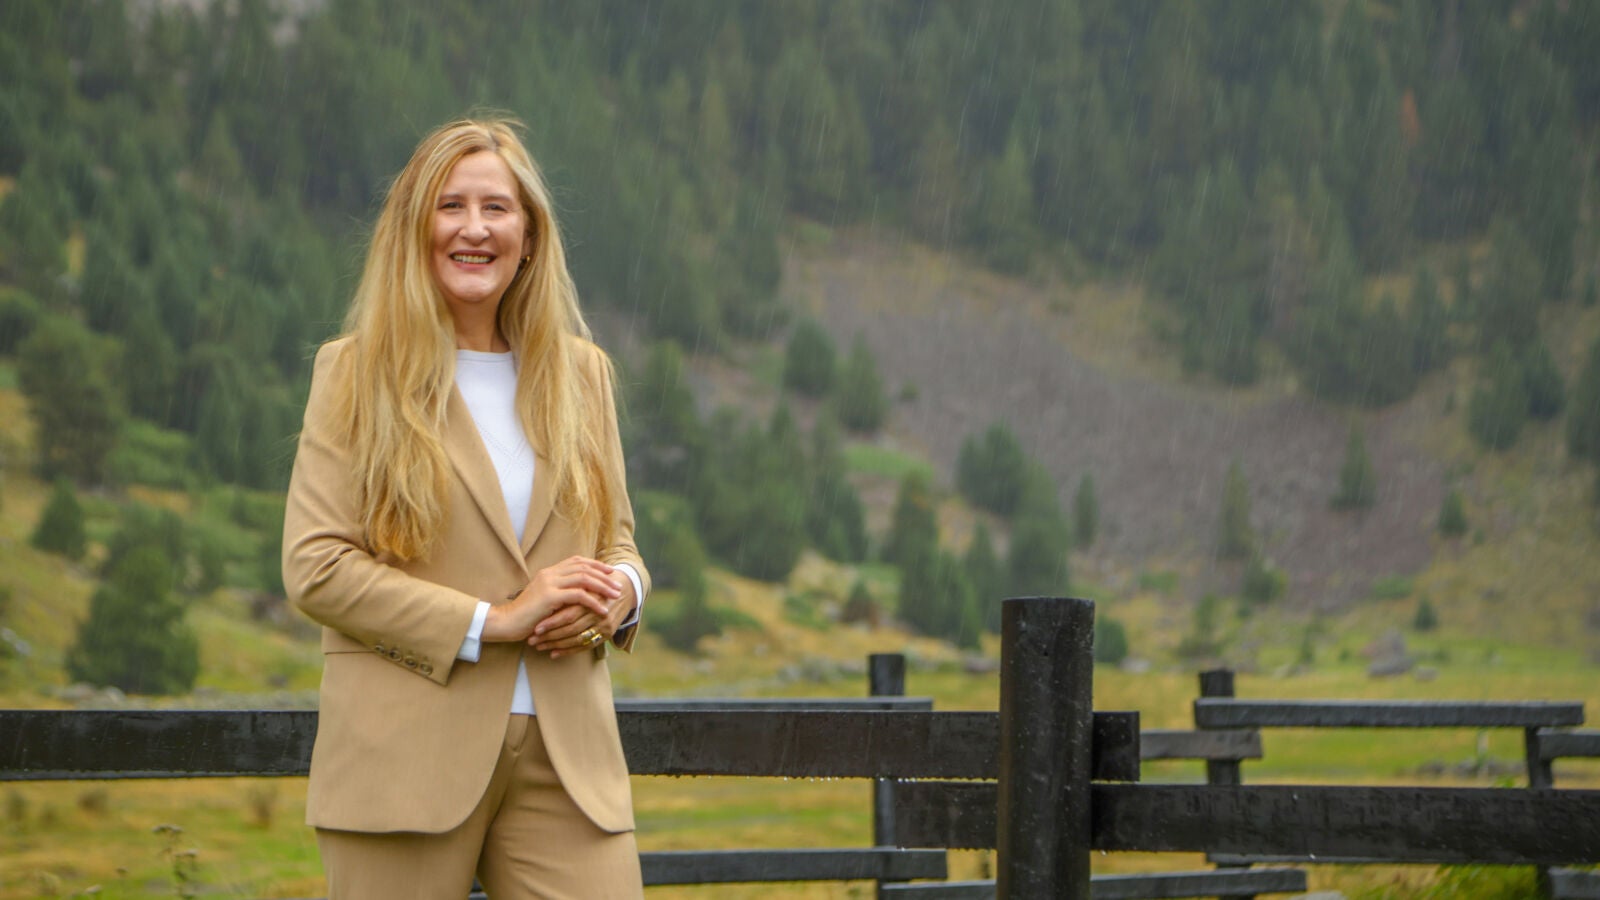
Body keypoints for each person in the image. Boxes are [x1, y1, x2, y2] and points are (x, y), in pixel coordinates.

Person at [282, 117, 648, 899]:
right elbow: (317, 568)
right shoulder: (353, 374)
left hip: (572, 762)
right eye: (450, 206)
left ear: (530, 236)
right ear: (413, 229)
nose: (474, 229)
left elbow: (618, 543)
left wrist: (623, 594)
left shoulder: (583, 375)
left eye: (497, 208)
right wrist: (496, 622)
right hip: (402, 760)